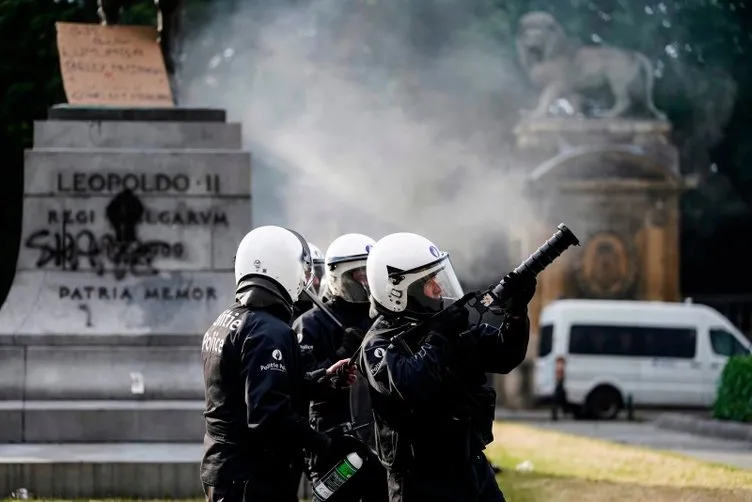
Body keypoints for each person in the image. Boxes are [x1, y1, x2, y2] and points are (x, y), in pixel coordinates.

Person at [358, 232, 536, 502]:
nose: (439, 290)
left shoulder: (446, 326)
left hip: (469, 465)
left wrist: (517, 313)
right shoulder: (379, 343)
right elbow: (411, 384)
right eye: (430, 283)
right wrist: (439, 336)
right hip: (420, 479)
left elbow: (505, 355)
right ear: (401, 290)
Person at [200, 225, 357, 502]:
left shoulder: (227, 320)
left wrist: (323, 380)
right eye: (301, 268)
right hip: (252, 474)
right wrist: (325, 444)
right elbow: (268, 415)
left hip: (227, 467)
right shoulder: (269, 330)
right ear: (281, 267)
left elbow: (262, 387)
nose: (306, 278)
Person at [293, 232, 389, 502]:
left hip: (377, 438)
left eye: (369, 272)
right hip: (333, 441)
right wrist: (344, 352)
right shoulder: (311, 324)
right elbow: (303, 384)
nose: (366, 281)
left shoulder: (382, 320)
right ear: (339, 275)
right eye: (359, 273)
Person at [292, 242, 326, 319]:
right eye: (307, 275)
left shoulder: (327, 315)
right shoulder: (282, 318)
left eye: (319, 275)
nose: (316, 281)